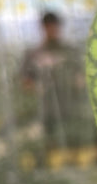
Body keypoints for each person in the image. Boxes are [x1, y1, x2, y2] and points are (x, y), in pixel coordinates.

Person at [21, 11, 85, 155]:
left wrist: (77, 82)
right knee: (52, 146)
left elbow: (81, 78)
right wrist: (38, 88)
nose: (52, 31)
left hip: (72, 108)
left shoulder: (70, 52)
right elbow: (26, 82)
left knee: (75, 146)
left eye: (55, 27)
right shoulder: (34, 54)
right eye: (48, 27)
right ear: (43, 28)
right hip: (47, 110)